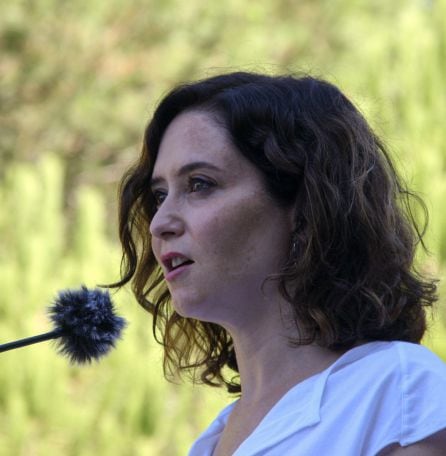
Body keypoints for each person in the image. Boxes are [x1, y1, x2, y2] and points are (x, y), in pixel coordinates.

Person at [114, 72, 446, 455]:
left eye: (199, 184)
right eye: (159, 195)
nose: (160, 223)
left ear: (304, 205)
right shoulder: (209, 443)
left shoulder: (398, 395)